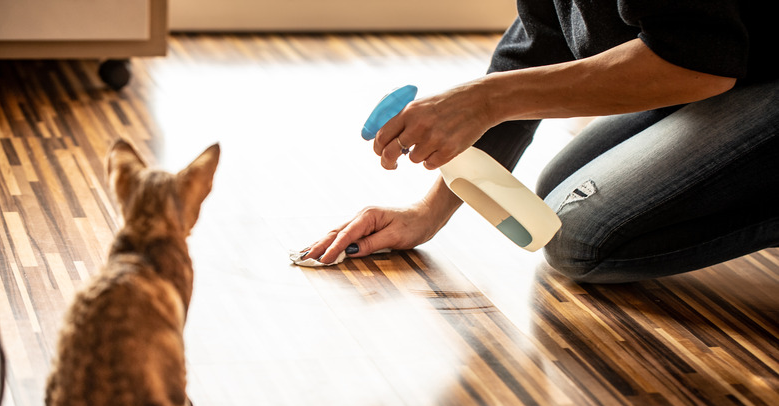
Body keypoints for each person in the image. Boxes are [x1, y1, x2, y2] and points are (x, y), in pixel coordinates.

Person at [302, 1, 778, 283]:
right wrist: (426, 215)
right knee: (552, 200)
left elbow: (698, 60)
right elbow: (533, 51)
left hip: (738, 75)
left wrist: (487, 100)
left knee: (581, 240)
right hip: (748, 73)